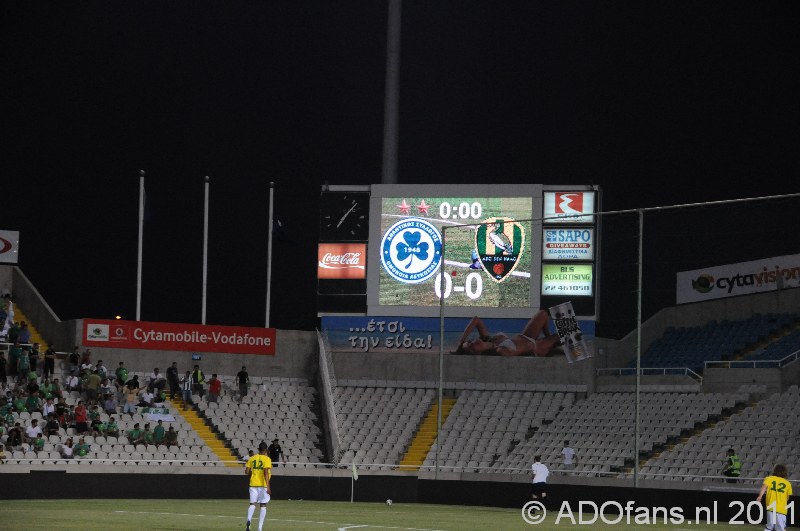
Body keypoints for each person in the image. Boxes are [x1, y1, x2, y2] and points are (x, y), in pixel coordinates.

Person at [452, 311, 562, 356]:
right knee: (560, 335)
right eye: (472, 347)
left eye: (470, 341)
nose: (473, 342)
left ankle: (549, 339)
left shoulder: (487, 338)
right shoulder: (499, 351)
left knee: (542, 314)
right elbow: (512, 353)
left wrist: (461, 342)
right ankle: (552, 346)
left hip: (526, 336)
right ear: (476, 353)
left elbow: (476, 320)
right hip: (534, 347)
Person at [245, 441, 272, 531]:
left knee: (252, 504)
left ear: (258, 449)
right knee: (263, 505)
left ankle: (248, 521)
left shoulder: (252, 458)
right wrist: (268, 486)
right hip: (263, 485)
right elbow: (265, 473)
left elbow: (247, 472)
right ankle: (259, 528)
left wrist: (254, 473)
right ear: (266, 450)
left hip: (253, 484)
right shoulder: (267, 459)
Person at [757, 464, 793, 531]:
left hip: (771, 507)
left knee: (769, 528)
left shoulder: (769, 479)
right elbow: (787, 498)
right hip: (781, 509)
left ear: (775, 471)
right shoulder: (787, 483)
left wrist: (760, 497)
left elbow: (764, 487)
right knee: (780, 529)